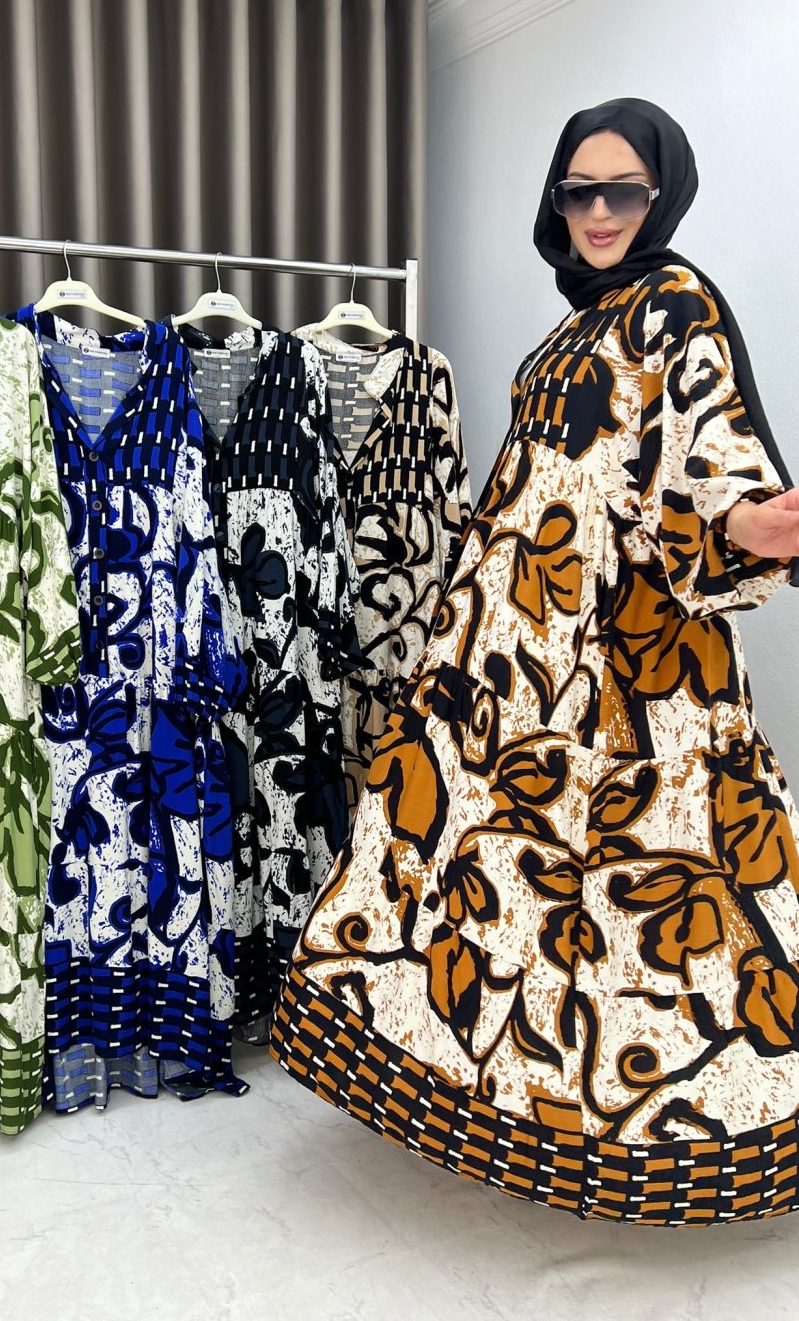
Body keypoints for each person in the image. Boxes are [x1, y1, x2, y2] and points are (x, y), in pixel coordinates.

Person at [269, 98, 799, 1227]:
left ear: (662, 194)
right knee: (500, 872)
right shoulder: (577, 323)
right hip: (503, 654)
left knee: (643, 886)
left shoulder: (675, 304)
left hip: (618, 657)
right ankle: (501, 1103)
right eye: (579, 191)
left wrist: (746, 518)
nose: (599, 213)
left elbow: (703, 443)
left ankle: (658, 1131)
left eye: (623, 192)